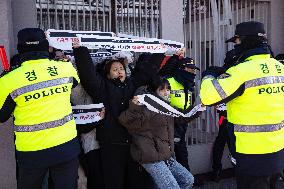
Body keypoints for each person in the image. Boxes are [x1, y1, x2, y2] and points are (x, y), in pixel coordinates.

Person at [200, 21, 284, 189]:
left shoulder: (241, 71)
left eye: (237, 41)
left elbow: (208, 97)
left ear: (246, 41)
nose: (235, 46)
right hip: (277, 149)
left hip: (252, 153)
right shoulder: (280, 67)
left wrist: (209, 75)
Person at [0, 28, 80, 189]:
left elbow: (2, 116)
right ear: (46, 46)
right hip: (66, 147)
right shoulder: (65, 68)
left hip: (32, 153)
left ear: (20, 48)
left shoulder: (8, 81)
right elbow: (75, 82)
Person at [72, 45, 159, 189]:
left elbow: (147, 72)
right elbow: (88, 75)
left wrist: (160, 52)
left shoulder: (132, 85)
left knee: (135, 182)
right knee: (114, 182)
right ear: (108, 74)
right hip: (110, 146)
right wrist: (80, 49)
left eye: (121, 69)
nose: (119, 71)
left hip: (133, 144)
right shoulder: (102, 88)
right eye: (115, 69)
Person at [119, 77, 195, 189]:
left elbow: (181, 117)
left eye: (168, 89)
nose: (166, 92)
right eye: (162, 89)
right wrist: (134, 106)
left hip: (164, 154)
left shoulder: (166, 107)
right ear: (154, 91)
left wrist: (198, 108)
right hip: (149, 156)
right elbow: (125, 120)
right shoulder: (146, 106)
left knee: (188, 179)